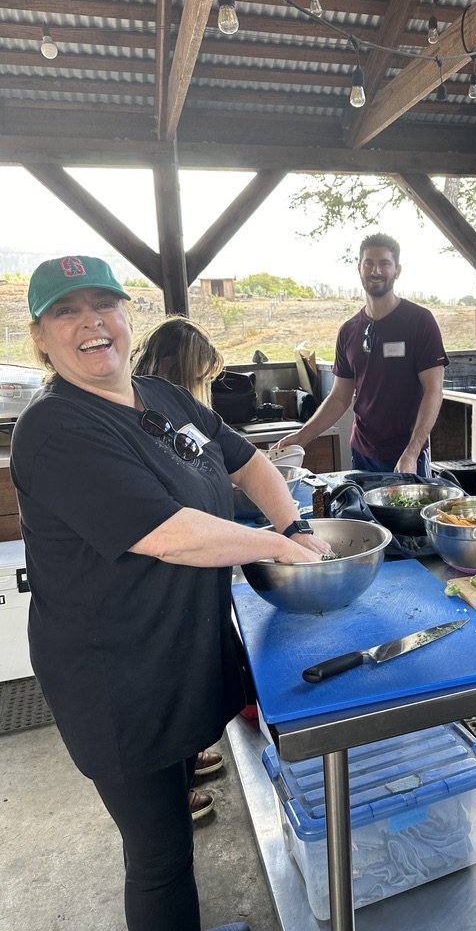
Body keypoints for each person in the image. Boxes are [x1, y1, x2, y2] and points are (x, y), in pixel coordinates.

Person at [11, 256, 332, 931]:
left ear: (128, 317)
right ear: (39, 335)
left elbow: (245, 459)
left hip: (180, 648)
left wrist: (294, 521)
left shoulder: (161, 396)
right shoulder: (54, 428)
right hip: (115, 679)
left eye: (105, 304)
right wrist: (280, 549)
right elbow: (166, 533)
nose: (92, 323)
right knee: (160, 856)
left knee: (178, 815)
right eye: (67, 311)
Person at [131, 316, 226, 821]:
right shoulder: (137, 411)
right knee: (168, 687)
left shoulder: (168, 402)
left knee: (190, 678)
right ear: (171, 367)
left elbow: (219, 459)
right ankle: (173, 790)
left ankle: (187, 759)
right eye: (197, 376)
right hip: (159, 581)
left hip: (189, 576)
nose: (200, 388)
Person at [275, 233, 448, 477]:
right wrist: (301, 437)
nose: (375, 270)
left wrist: (412, 451)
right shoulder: (349, 331)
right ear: (359, 268)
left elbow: (434, 390)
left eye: (384, 263)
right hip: (362, 454)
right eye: (369, 263)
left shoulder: (419, 321)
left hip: (408, 456)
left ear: (397, 270)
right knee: (362, 516)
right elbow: (339, 398)